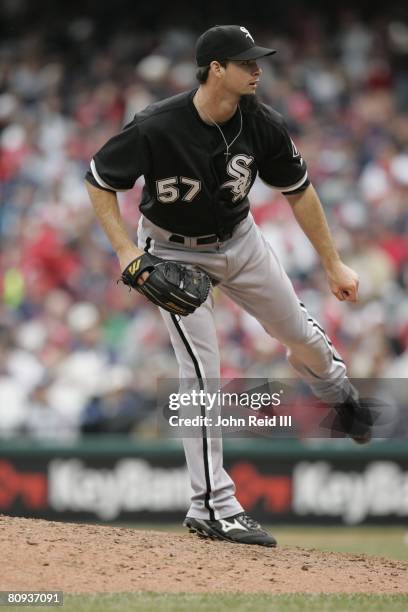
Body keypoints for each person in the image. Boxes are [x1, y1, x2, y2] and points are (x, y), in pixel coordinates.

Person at [85, 25, 371, 548]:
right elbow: (101, 180)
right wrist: (127, 252)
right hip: (172, 252)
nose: (258, 68)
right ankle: (213, 505)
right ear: (216, 68)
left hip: (241, 242)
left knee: (302, 337)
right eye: (247, 62)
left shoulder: (262, 123)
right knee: (201, 374)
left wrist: (333, 264)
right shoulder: (156, 124)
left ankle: (336, 390)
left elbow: (298, 191)